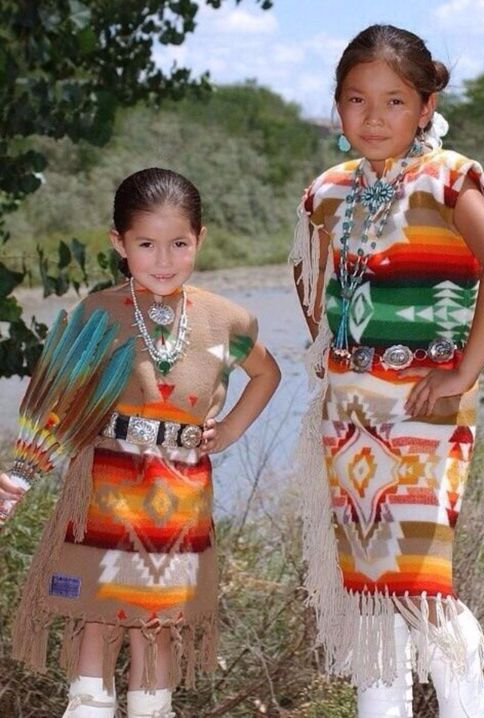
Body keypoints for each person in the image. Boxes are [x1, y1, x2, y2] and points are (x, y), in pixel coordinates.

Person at [290, 24, 484, 718]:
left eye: (394, 102)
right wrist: (335, 353)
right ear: (337, 108)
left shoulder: (447, 177)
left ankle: (466, 707)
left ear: (425, 107)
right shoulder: (326, 193)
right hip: (350, 417)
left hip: (426, 411)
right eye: (357, 100)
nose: (373, 117)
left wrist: (463, 371)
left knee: (420, 582)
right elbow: (310, 284)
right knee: (369, 587)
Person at [0, 168, 281, 718]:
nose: (163, 258)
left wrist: (229, 430)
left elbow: (267, 375)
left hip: (179, 500)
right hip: (104, 490)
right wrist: (18, 477)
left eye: (179, 243)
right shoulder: (98, 314)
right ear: (119, 244)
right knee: (99, 619)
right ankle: (88, 708)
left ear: (200, 238)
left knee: (158, 626)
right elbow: (57, 403)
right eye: (146, 244)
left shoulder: (228, 319)